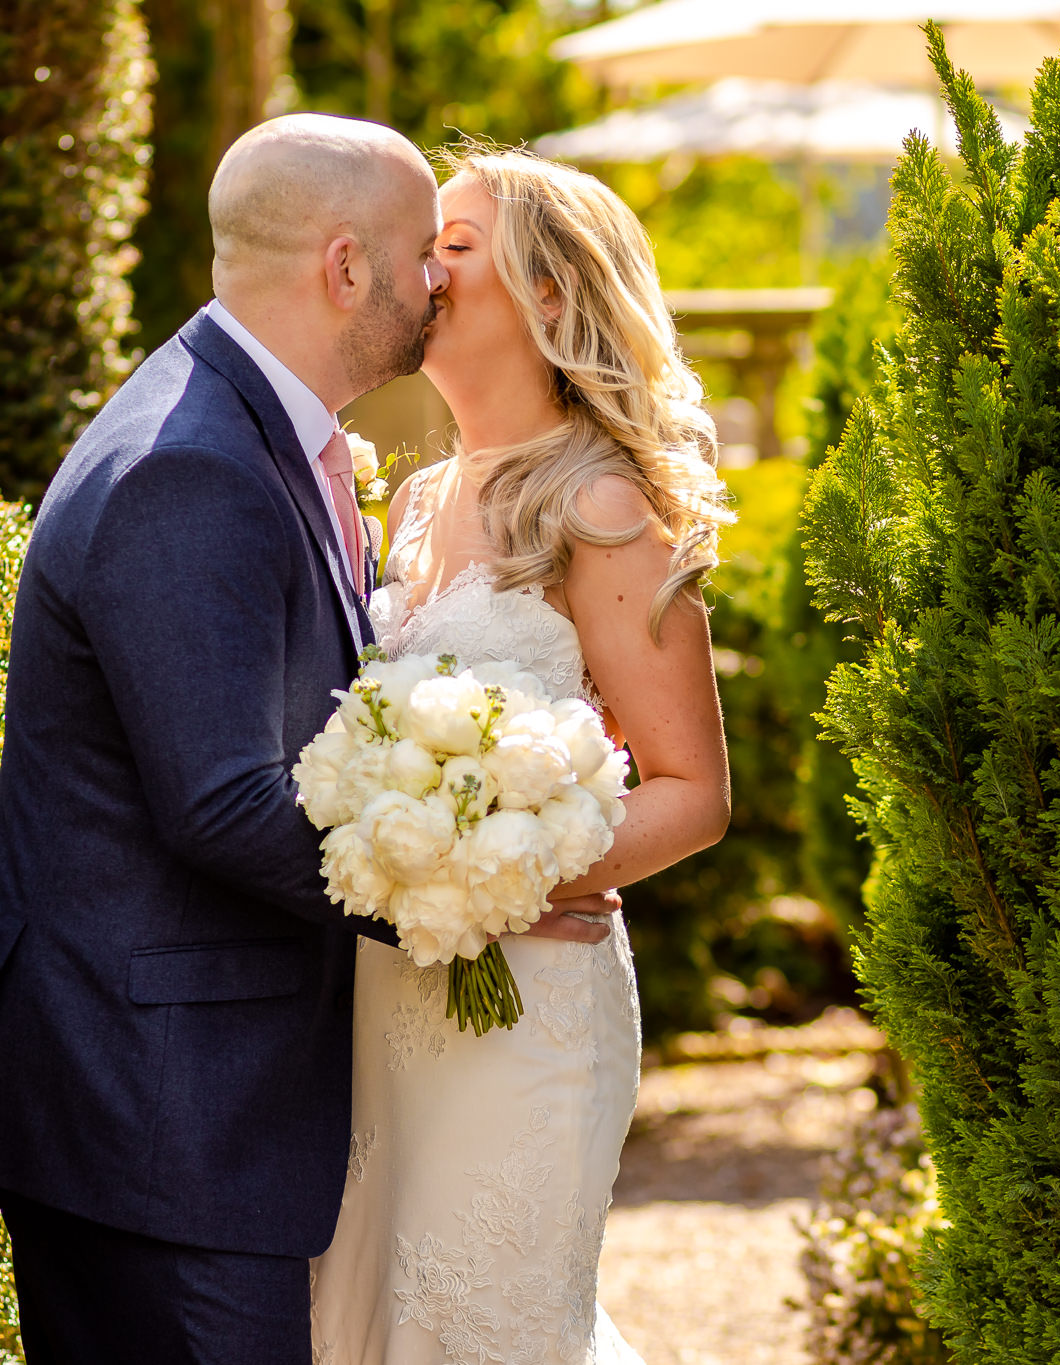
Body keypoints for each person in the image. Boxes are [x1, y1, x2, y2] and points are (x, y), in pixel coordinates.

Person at [0, 115, 616, 1365]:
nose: (438, 285)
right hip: (153, 1107)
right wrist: (481, 893)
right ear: (346, 268)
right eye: (425, 255)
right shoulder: (189, 467)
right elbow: (222, 804)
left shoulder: (259, 432)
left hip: (202, 1096)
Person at [307, 148, 732, 1363]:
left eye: (453, 243)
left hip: (528, 998)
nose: (420, 265)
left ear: (548, 295)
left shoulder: (600, 507)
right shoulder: (416, 499)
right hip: (388, 995)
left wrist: (501, 880)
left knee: (484, 1323)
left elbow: (694, 791)